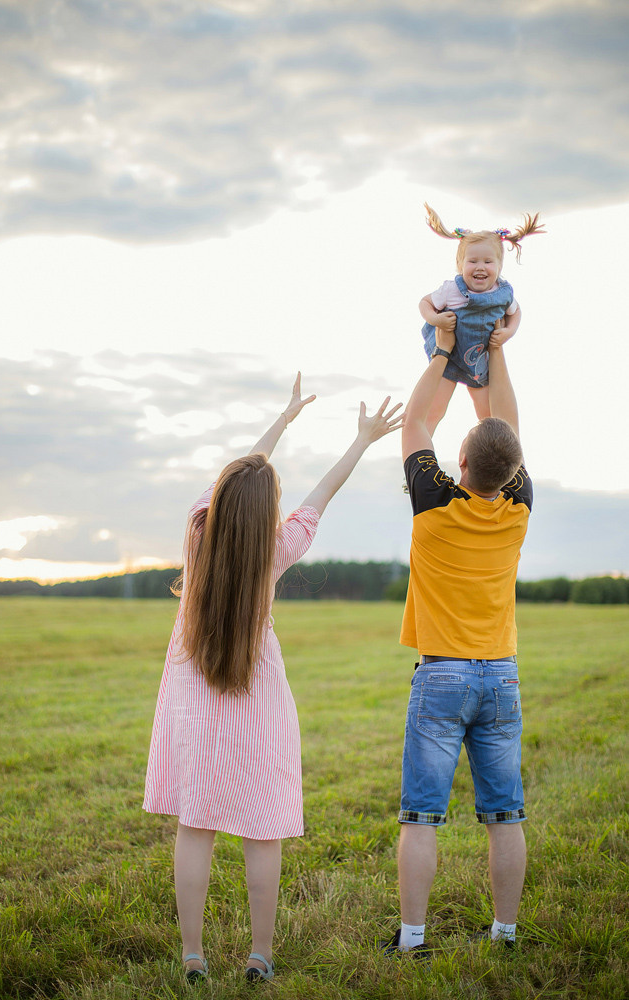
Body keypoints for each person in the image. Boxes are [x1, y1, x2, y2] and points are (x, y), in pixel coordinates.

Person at [143, 374, 404, 983]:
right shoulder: (277, 546)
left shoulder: (198, 528)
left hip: (194, 695)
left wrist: (283, 421)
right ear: (267, 513)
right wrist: (362, 440)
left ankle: (192, 956)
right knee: (263, 825)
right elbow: (323, 492)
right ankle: (259, 956)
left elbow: (241, 473)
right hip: (256, 698)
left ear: (223, 495)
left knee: (196, 822)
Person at [384, 322, 533, 958]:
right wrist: (493, 353)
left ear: (461, 465)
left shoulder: (433, 503)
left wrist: (448, 350)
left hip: (442, 675)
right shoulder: (519, 507)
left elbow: (415, 421)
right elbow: (507, 428)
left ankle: (413, 939)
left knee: (422, 816)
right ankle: (505, 934)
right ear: (513, 470)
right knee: (507, 815)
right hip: (500, 676)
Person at [419, 202, 544, 435]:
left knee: (487, 415)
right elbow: (425, 303)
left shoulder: (503, 293)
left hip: (479, 363)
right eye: (472, 261)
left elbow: (515, 313)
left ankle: (487, 455)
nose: (480, 267)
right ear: (460, 264)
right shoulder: (452, 290)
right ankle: (420, 452)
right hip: (449, 357)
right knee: (435, 409)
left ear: (499, 266)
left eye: (488, 262)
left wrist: (508, 332)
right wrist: (436, 321)